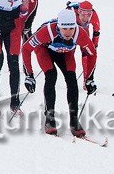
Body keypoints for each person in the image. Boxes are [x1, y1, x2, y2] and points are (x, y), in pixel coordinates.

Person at [22, 8, 98, 137]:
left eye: (71, 29)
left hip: (66, 53)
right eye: (64, 29)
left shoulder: (80, 33)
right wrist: (29, 75)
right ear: (58, 26)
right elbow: (26, 49)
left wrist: (89, 78)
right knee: (51, 76)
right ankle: (49, 119)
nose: (68, 33)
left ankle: (74, 121)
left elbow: (92, 54)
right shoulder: (47, 32)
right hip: (45, 51)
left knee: (72, 80)